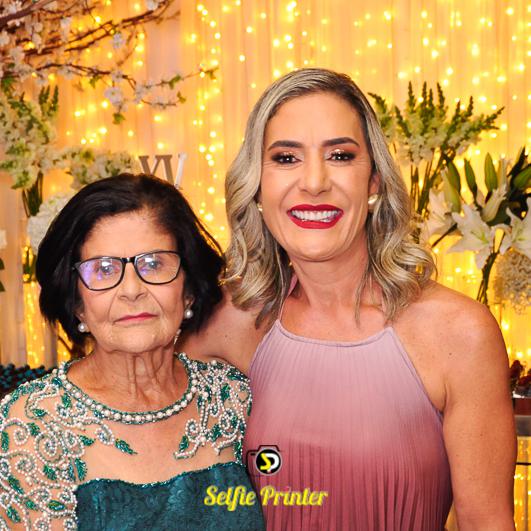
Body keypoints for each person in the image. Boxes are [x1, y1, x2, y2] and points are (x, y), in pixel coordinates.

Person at [180, 68, 516, 530]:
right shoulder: (228, 322)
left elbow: (486, 523)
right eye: (285, 158)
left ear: (374, 181)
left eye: (340, 155)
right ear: (256, 185)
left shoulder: (457, 333)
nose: (314, 182)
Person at [0, 174, 265, 530]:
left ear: (188, 289)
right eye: (103, 269)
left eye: (153, 263)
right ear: (77, 302)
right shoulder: (31, 424)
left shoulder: (232, 398)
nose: (131, 290)